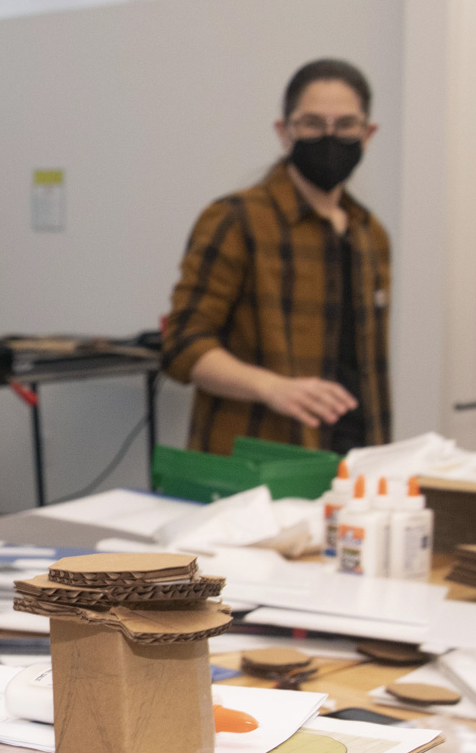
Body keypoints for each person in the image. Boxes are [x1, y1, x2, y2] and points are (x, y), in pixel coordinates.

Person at [161, 57, 392, 456]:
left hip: (353, 462)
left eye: (346, 125)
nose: (330, 136)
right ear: (284, 132)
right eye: (313, 123)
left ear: (368, 133)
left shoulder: (370, 233)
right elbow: (182, 344)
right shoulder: (236, 220)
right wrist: (273, 388)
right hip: (257, 463)